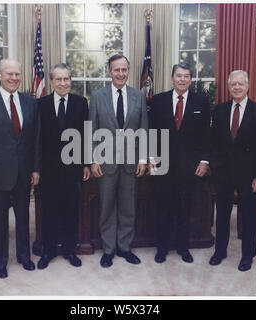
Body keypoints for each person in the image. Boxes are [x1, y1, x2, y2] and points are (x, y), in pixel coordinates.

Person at [0, 58, 42, 279]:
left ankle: (24, 256)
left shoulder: (30, 103)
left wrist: (35, 169)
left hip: (24, 173)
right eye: (9, 74)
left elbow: (35, 140)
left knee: (23, 217)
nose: (14, 78)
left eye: (17, 74)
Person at [89, 54, 148, 268]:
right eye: (116, 70)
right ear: (109, 71)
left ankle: (124, 247)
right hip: (105, 162)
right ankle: (108, 250)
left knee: (128, 206)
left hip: (131, 161)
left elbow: (143, 128)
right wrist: (93, 159)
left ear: (128, 71)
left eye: (124, 69)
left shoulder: (138, 96)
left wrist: (143, 158)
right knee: (106, 207)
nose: (121, 73)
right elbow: (91, 130)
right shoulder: (97, 96)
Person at [148, 63, 211, 264]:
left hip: (189, 166)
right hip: (163, 164)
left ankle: (184, 248)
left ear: (191, 79)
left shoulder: (201, 102)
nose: (182, 79)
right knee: (163, 209)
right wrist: (150, 158)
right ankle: (162, 249)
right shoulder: (158, 101)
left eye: (186, 76)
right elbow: (151, 132)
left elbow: (206, 135)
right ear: (172, 78)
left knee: (185, 209)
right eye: (178, 75)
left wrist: (204, 160)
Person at [209, 70, 256, 272]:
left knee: (250, 216)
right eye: (233, 84)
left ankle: (247, 256)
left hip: (249, 175)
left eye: (240, 84)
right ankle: (220, 252)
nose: (236, 87)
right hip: (223, 173)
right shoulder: (219, 110)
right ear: (229, 87)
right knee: (223, 215)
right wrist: (215, 167)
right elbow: (215, 143)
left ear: (248, 86)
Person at [36, 63, 90, 270]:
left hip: (72, 169)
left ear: (71, 81)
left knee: (70, 211)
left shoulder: (80, 102)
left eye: (66, 79)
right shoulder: (40, 105)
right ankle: (48, 251)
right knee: (49, 211)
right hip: (48, 170)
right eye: (58, 79)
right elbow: (37, 140)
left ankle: (69, 250)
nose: (63, 83)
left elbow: (86, 134)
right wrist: (37, 168)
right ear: (51, 82)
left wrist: (85, 163)